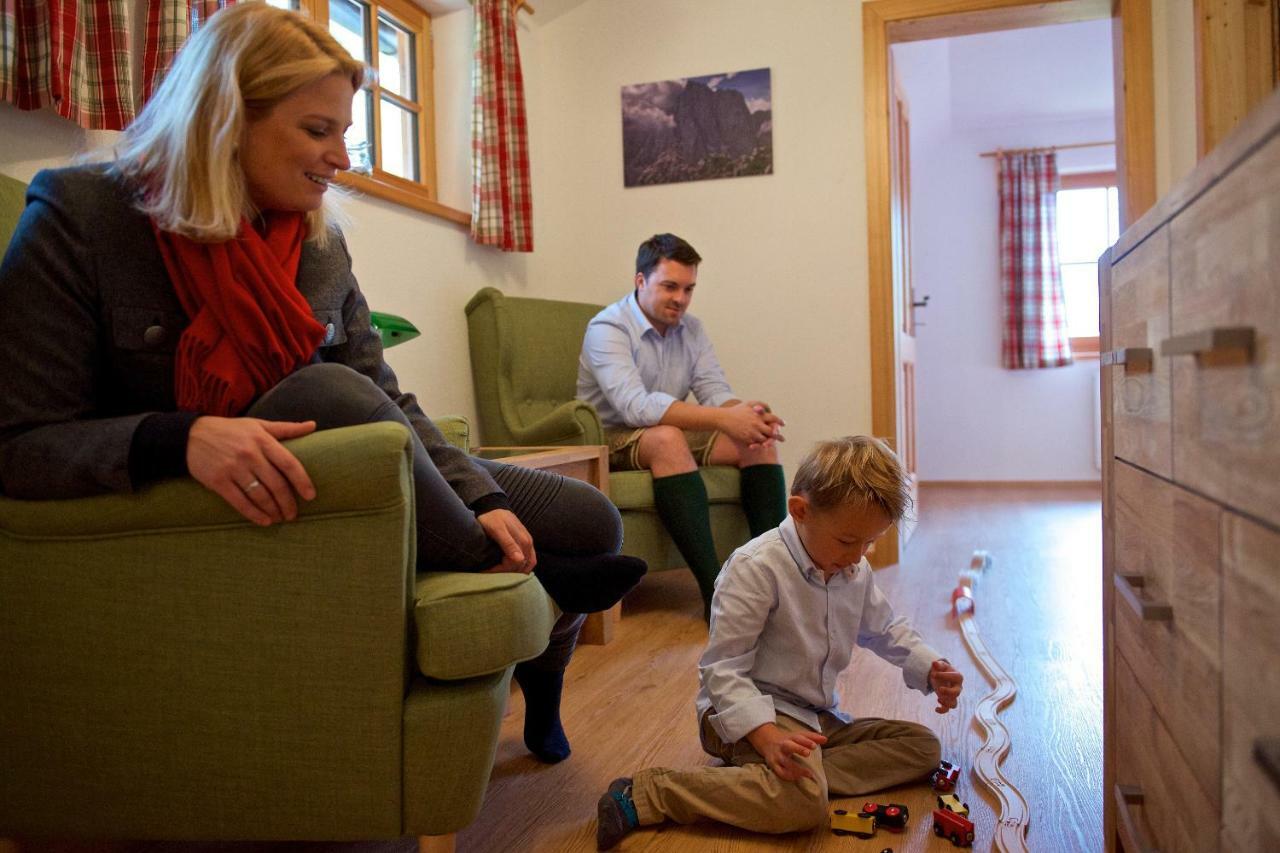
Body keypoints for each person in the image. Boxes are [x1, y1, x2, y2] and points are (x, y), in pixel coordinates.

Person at [0, 1, 644, 765]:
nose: (342, 157)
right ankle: (500, 566)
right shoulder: (82, 217)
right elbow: (18, 443)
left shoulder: (319, 243)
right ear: (226, 118)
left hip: (319, 490)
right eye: (318, 131)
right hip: (184, 506)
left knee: (590, 518)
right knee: (323, 394)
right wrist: (181, 438)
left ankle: (541, 676)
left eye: (346, 132)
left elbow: (388, 394)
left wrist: (484, 497)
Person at [593, 436, 965, 849]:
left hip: (815, 715)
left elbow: (884, 628)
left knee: (923, 748)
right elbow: (723, 669)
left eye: (869, 542)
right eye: (848, 541)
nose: (860, 556)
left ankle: (797, 778)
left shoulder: (850, 569)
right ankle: (648, 793)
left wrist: (929, 665)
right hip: (748, 714)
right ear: (800, 511)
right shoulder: (756, 568)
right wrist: (766, 734)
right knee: (803, 808)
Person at [576, 234, 787, 614]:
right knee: (667, 439)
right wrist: (725, 418)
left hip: (663, 427)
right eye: (670, 286)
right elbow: (635, 407)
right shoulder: (607, 328)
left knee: (758, 440)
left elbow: (713, 388)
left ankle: (774, 580)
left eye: (689, 288)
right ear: (641, 281)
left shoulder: (692, 329)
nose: (681, 298)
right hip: (609, 436)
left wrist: (745, 415)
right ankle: (715, 593)